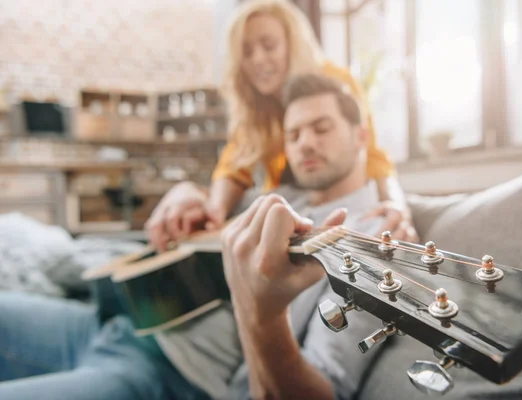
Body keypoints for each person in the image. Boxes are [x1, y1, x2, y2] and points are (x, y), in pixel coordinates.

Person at [0, 74, 397, 400]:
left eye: (321, 128)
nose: (304, 143)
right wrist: (187, 197)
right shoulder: (280, 197)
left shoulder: (373, 244)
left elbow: (323, 389)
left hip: (166, 375)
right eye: (292, 135)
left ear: (362, 137)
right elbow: (208, 227)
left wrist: (261, 313)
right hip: (119, 324)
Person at [145, 0, 418, 251]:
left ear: (292, 44)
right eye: (247, 51)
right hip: (293, 211)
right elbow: (234, 166)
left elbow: (373, 155)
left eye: (269, 45)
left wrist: (397, 205)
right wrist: (212, 211)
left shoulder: (332, 84)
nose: (258, 59)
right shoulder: (254, 109)